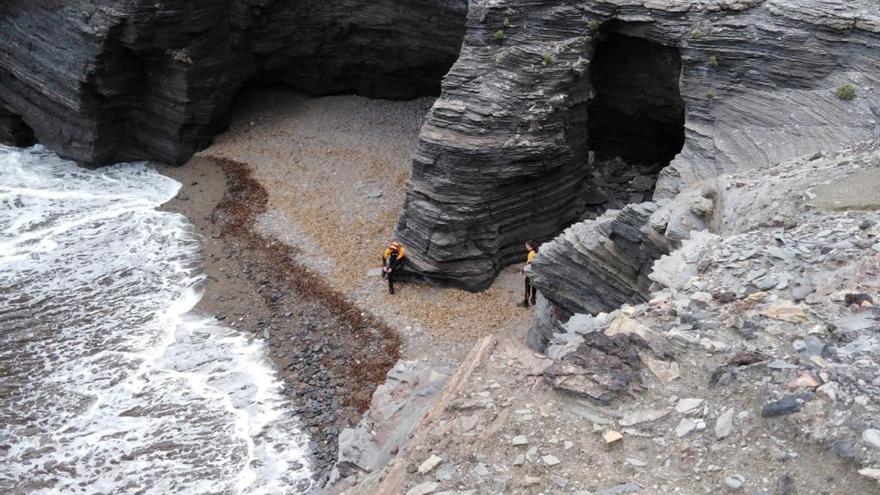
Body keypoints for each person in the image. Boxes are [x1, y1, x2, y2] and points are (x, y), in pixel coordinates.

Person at [519, 240, 538, 308]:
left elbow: (530, 265)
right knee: (534, 286)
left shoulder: (530, 254)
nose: (525, 246)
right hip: (536, 273)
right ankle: (533, 300)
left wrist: (523, 270)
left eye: (526, 245)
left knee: (527, 289)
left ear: (528, 246)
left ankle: (526, 303)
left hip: (530, 274)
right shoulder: (536, 252)